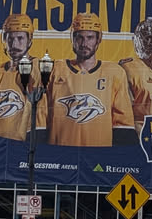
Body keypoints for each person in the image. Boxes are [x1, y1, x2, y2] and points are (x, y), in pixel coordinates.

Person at [47, 16, 133, 146]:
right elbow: (42, 113)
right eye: (79, 37)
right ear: (72, 39)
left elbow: (123, 122)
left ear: (98, 39)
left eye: (90, 37)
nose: (84, 43)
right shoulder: (56, 69)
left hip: (99, 153)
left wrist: (118, 155)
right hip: (60, 151)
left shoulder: (114, 72)